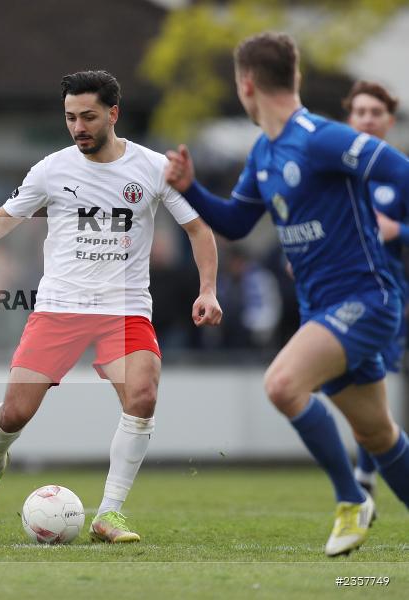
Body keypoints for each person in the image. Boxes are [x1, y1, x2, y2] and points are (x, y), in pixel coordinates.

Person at [0, 70, 222, 543]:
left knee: (142, 396)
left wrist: (209, 290)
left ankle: (109, 513)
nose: (78, 127)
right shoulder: (51, 170)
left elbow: (199, 228)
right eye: (71, 117)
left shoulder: (153, 168)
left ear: (113, 114)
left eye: (88, 117)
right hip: (59, 308)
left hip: (124, 309)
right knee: (14, 415)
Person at [164, 32, 409, 557]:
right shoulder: (265, 152)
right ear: (292, 77)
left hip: (366, 300)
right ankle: (363, 492)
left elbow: (402, 172)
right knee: (380, 436)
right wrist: (190, 189)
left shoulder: (319, 137)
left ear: (245, 84)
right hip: (324, 309)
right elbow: (235, 220)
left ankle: (351, 500)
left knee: (281, 384)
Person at [342, 81, 404, 497]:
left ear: (389, 121)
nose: (366, 118)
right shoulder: (338, 172)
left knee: (374, 377)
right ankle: (365, 474)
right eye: (360, 111)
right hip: (339, 293)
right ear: (349, 118)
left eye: (375, 112)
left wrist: (398, 229)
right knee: (358, 380)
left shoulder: (397, 173)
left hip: (390, 296)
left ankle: (363, 475)